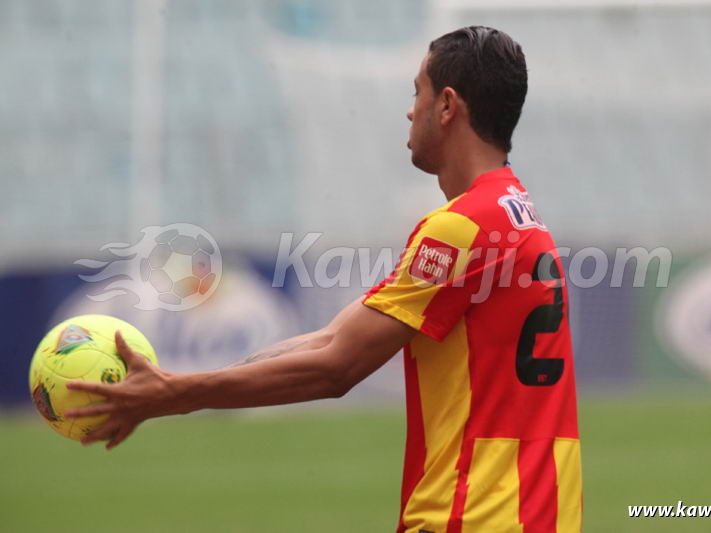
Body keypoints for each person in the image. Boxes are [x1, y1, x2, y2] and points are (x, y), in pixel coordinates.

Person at [66, 26, 582, 533]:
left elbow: (337, 368)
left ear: (447, 105)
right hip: (541, 513)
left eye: (417, 92)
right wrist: (182, 383)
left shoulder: (462, 226)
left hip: (472, 515)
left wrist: (178, 395)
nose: (410, 109)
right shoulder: (517, 211)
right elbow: (333, 336)